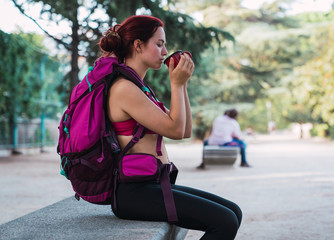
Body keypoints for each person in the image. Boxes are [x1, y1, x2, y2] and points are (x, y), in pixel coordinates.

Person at [100, 15, 241, 239]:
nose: (165, 52)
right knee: (225, 221)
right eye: (159, 44)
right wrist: (176, 84)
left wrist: (182, 85)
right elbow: (175, 131)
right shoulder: (124, 89)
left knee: (234, 212)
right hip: (135, 192)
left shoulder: (140, 88)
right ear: (138, 45)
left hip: (153, 184)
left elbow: (184, 130)